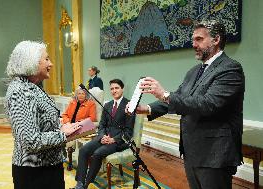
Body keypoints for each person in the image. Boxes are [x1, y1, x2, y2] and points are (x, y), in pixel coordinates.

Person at [132, 20, 245, 189]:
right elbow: (179, 97)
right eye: (193, 40)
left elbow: (208, 104)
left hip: (215, 154)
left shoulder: (230, 69)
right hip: (191, 150)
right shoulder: (193, 71)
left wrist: (164, 94)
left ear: (216, 39)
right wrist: (147, 109)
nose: (193, 44)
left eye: (199, 39)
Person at [4, 40, 81, 189]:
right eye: (46, 59)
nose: (51, 64)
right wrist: (62, 134)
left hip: (49, 165)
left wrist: (62, 125)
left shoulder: (34, 86)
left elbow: (43, 120)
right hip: (34, 171)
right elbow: (30, 140)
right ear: (30, 61)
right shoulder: (20, 91)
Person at [73, 79, 135, 189]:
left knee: (97, 153)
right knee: (83, 150)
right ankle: (80, 183)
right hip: (104, 137)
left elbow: (128, 131)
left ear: (122, 89)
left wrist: (113, 139)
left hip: (119, 141)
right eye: (112, 89)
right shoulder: (107, 105)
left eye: (117, 88)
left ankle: (86, 184)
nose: (114, 91)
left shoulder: (129, 105)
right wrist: (102, 136)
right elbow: (102, 125)